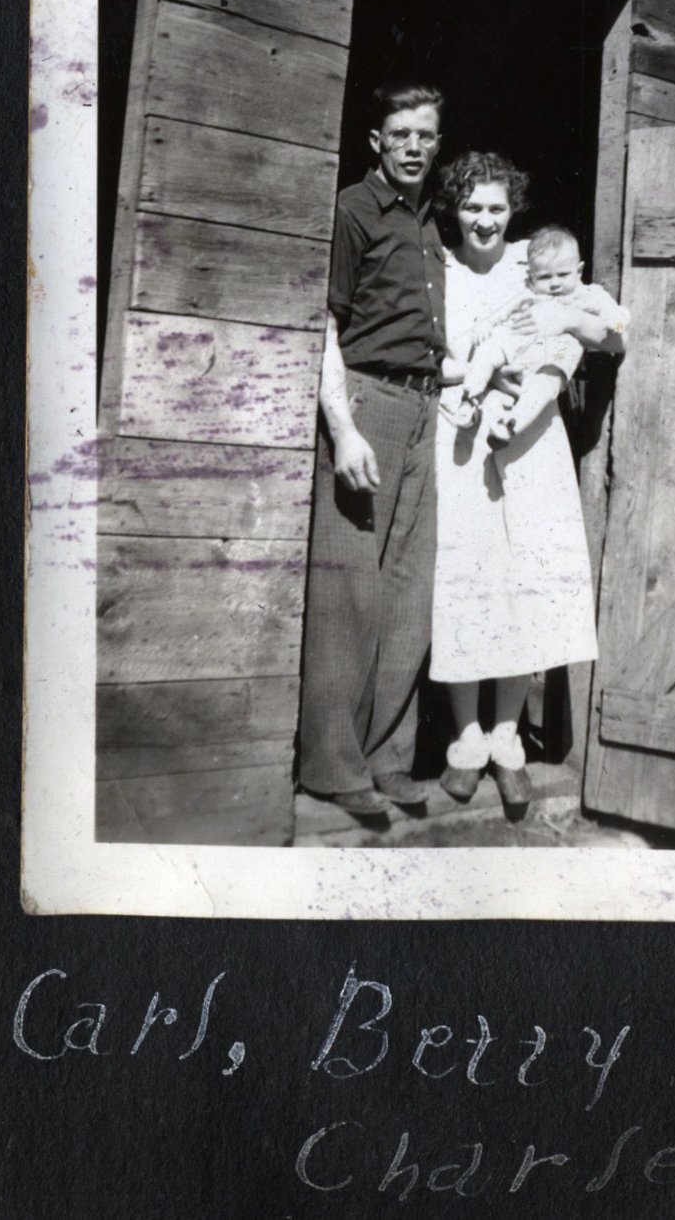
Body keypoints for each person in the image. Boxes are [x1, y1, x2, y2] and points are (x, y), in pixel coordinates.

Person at [430, 154, 625, 811]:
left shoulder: (530, 262)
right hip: (460, 439)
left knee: (520, 577)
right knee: (466, 576)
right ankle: (465, 738)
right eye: (471, 208)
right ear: (451, 209)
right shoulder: (438, 269)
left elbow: (608, 335)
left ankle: (509, 736)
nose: (484, 220)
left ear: (512, 210)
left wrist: (565, 321)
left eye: (496, 208)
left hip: (532, 447)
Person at [296, 82, 446, 816]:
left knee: (407, 593)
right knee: (349, 592)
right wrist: (343, 428)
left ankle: (389, 759)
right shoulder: (355, 211)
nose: (414, 146)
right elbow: (325, 323)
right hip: (368, 402)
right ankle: (332, 767)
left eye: (425, 134)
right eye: (401, 133)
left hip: (425, 408)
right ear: (375, 142)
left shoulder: (428, 225)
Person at [451, 224, 629, 447]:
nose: (555, 283)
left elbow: (621, 317)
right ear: (531, 276)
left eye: (563, 275)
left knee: (548, 381)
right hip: (517, 341)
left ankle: (512, 424)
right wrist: (486, 324)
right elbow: (502, 309)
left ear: (579, 271)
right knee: (488, 351)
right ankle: (470, 399)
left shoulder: (590, 295)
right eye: (545, 277)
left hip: (556, 351)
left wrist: (615, 323)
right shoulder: (527, 292)